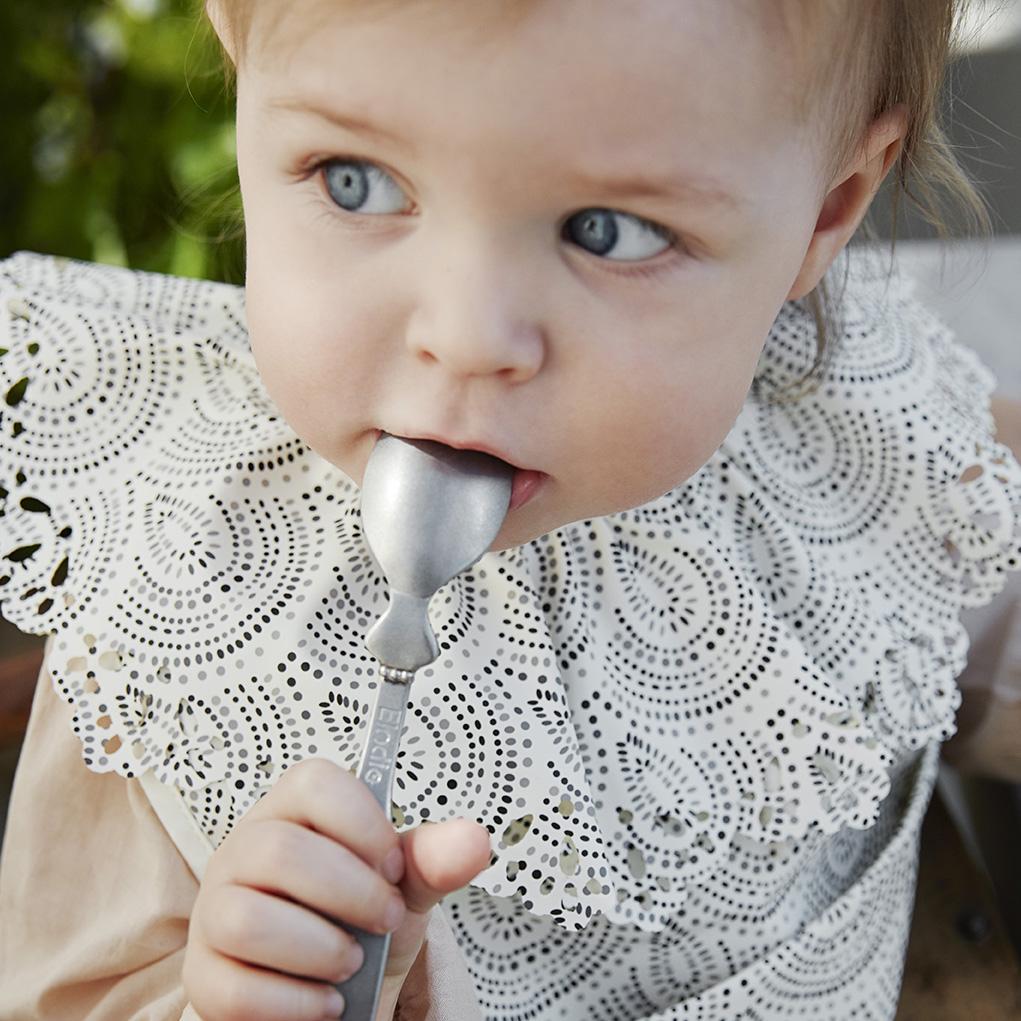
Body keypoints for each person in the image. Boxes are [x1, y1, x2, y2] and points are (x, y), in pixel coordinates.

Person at [0, 0, 1019, 1018]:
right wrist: (234, 996)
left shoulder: (861, 451)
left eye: (608, 232)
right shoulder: (166, 579)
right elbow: (70, 993)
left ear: (824, 212)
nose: (466, 334)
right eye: (357, 181)